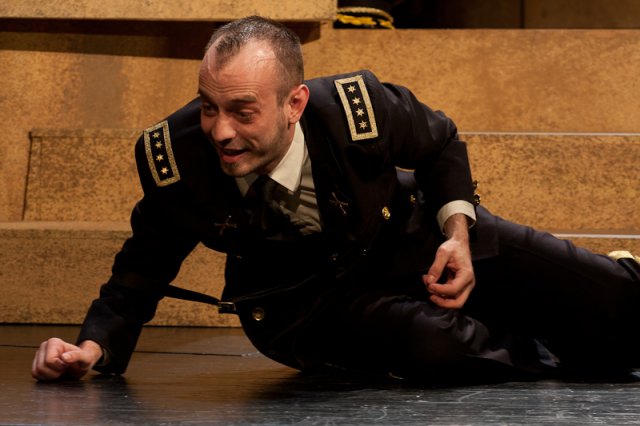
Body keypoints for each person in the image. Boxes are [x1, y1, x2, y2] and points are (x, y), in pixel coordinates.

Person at [32, 16, 640, 383]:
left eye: (243, 111)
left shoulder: (357, 107)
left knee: (608, 293)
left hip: (410, 237)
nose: (220, 131)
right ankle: (576, 356)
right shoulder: (177, 158)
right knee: (438, 343)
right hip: (308, 306)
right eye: (209, 106)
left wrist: (457, 235)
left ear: (294, 103)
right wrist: (91, 348)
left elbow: (441, 143)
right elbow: (141, 269)